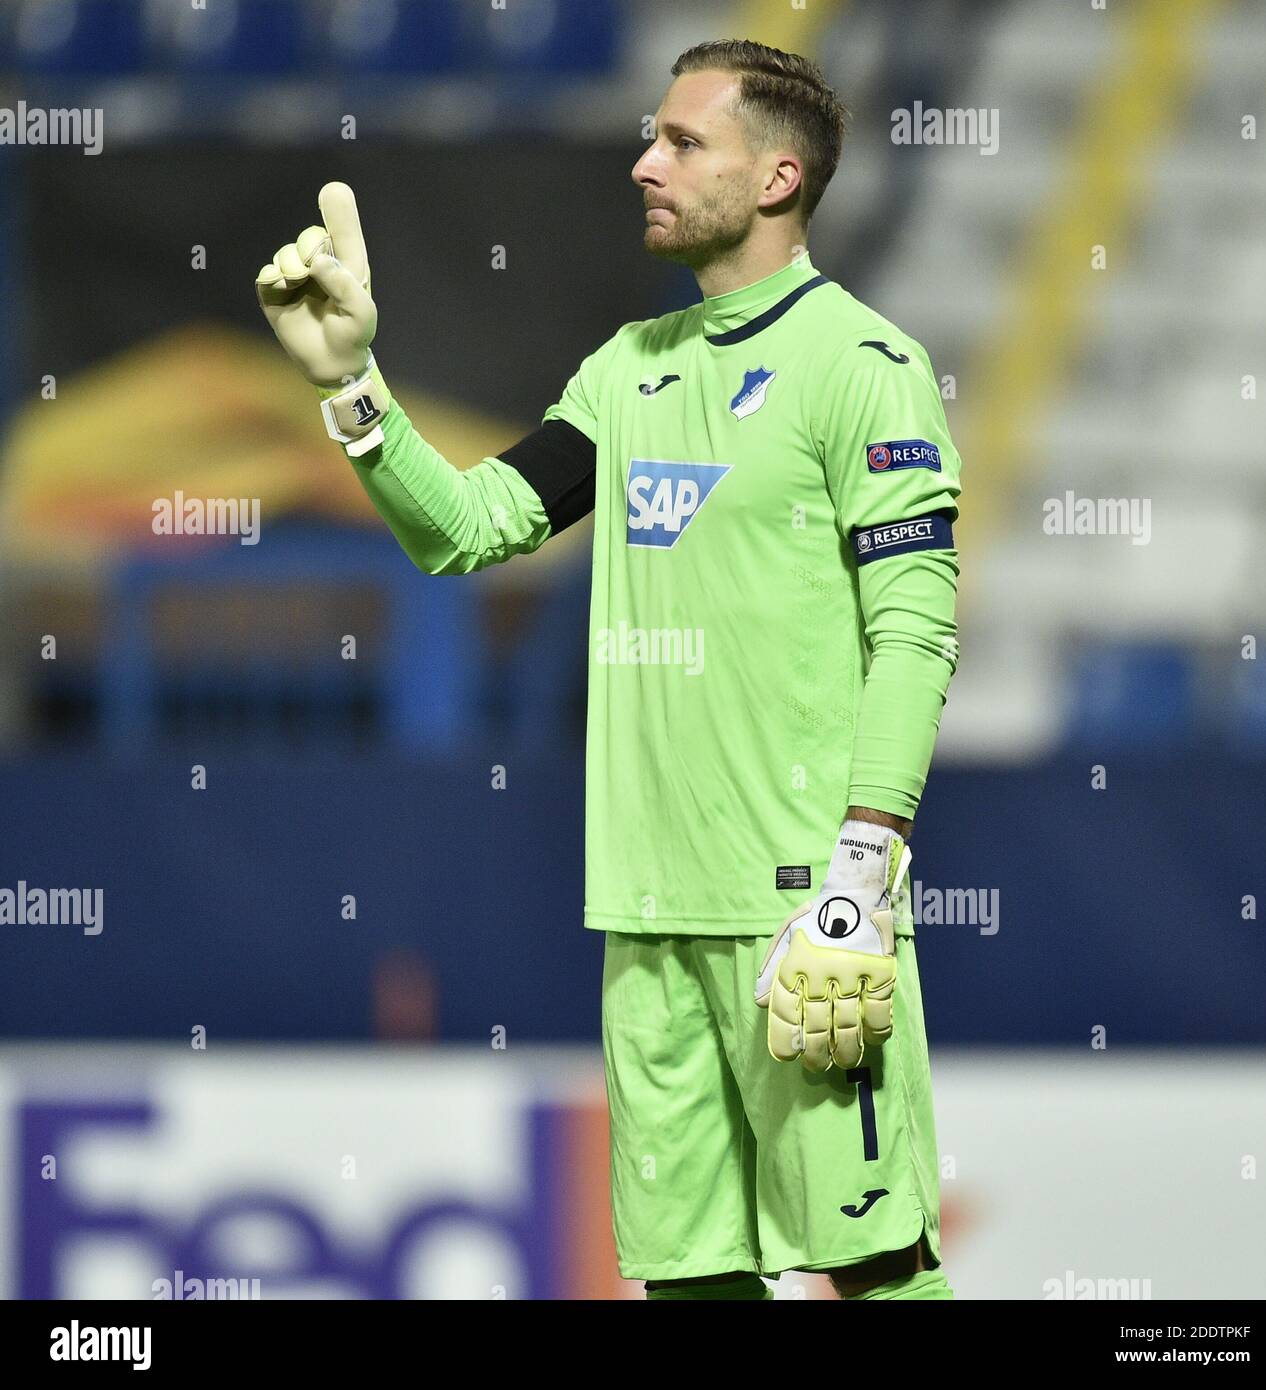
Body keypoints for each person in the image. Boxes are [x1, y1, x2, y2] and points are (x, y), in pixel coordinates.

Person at [256, 37, 961, 1302]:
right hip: (643, 912)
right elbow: (467, 529)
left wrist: (858, 878)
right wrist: (353, 385)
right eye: (651, 135)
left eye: (684, 143)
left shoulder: (867, 371)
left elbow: (915, 630)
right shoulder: (628, 372)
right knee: (689, 1281)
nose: (644, 161)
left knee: (872, 1264)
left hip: (799, 909)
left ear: (778, 176)